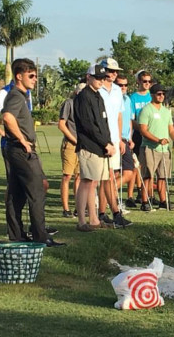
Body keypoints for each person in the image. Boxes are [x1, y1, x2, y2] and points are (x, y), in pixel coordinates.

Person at [2, 58, 64, 246]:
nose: (35, 79)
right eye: (31, 76)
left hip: (16, 150)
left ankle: (17, 235)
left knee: (16, 194)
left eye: (36, 76)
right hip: (22, 150)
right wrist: (22, 140)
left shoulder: (21, 95)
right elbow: (7, 117)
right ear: (19, 76)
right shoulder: (16, 95)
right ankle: (40, 237)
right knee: (37, 191)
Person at [74, 65, 129, 231]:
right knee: (86, 182)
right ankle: (82, 221)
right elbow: (89, 125)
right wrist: (105, 143)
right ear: (88, 77)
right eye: (97, 77)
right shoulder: (84, 96)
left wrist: (109, 142)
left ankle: (94, 219)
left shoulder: (97, 95)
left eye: (102, 78)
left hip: (101, 145)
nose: (100, 80)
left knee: (93, 183)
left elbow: (103, 122)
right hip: (89, 145)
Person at [138, 83, 174, 211]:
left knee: (163, 176)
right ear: (152, 95)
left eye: (163, 94)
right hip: (149, 148)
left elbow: (171, 130)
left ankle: (163, 201)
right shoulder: (146, 110)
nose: (161, 96)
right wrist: (157, 140)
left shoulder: (165, 111)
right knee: (147, 176)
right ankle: (145, 201)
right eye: (159, 94)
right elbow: (143, 130)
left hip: (164, 149)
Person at [98, 58, 125, 224]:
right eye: (111, 70)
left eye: (116, 71)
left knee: (111, 176)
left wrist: (120, 139)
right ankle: (113, 213)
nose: (114, 74)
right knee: (105, 176)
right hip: (102, 139)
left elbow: (119, 116)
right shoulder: (96, 89)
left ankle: (103, 212)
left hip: (115, 138)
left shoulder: (117, 90)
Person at [58, 83, 84, 218]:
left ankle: (77, 207)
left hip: (82, 145)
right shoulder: (69, 103)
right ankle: (66, 208)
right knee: (67, 176)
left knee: (79, 176)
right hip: (70, 144)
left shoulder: (85, 106)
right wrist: (74, 140)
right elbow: (61, 125)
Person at [130, 70, 153, 205]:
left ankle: (149, 192)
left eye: (149, 81)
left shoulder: (152, 96)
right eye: (144, 81)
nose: (147, 84)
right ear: (138, 82)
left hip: (152, 134)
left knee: (149, 164)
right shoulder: (133, 97)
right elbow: (131, 119)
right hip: (138, 133)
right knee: (137, 164)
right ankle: (139, 190)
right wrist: (141, 129)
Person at [115, 74, 136, 208]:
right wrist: (119, 139)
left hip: (126, 139)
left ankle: (113, 199)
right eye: (120, 85)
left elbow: (129, 119)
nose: (123, 87)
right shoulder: (114, 99)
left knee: (125, 172)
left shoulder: (127, 99)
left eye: (125, 85)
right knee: (126, 173)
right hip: (117, 140)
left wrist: (130, 138)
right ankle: (104, 194)